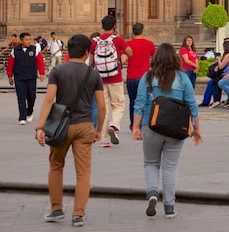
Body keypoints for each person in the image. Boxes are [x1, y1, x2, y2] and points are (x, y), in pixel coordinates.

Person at [36, 34, 106, 228]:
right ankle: (78, 214)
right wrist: (99, 129)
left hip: (61, 126)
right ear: (87, 52)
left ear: (68, 50)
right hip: (84, 126)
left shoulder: (58, 70)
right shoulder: (93, 74)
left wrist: (40, 126)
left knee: (56, 166)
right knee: (83, 172)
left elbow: (49, 99)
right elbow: (101, 106)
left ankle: (57, 208)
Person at [132, 42, 201, 219]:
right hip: (177, 129)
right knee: (170, 168)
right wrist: (196, 128)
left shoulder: (148, 77)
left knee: (151, 163)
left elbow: (139, 103)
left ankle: (153, 192)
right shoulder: (183, 78)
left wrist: (136, 127)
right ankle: (169, 207)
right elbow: (192, 105)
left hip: (152, 125)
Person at [91, 14, 127, 148]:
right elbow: (130, 53)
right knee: (118, 105)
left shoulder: (95, 41)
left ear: (102, 26)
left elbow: (90, 61)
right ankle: (114, 126)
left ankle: (104, 141)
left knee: (103, 108)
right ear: (114, 27)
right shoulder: (117, 40)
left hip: (100, 79)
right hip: (115, 78)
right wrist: (119, 38)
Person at [6, 32, 47, 125]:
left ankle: (30, 111)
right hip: (19, 77)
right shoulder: (15, 51)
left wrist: (42, 73)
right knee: (21, 97)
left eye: (29, 39)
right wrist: (9, 76)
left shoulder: (34, 49)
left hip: (31, 76)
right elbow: (11, 64)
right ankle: (22, 117)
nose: (29, 41)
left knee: (31, 97)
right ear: (21, 41)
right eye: (26, 40)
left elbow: (40, 62)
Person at [125, 22, 157, 130]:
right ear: (142, 31)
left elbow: (124, 59)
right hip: (144, 77)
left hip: (131, 76)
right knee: (145, 100)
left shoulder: (128, 44)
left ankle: (133, 124)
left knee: (132, 100)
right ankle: (143, 122)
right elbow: (155, 58)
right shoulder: (149, 44)